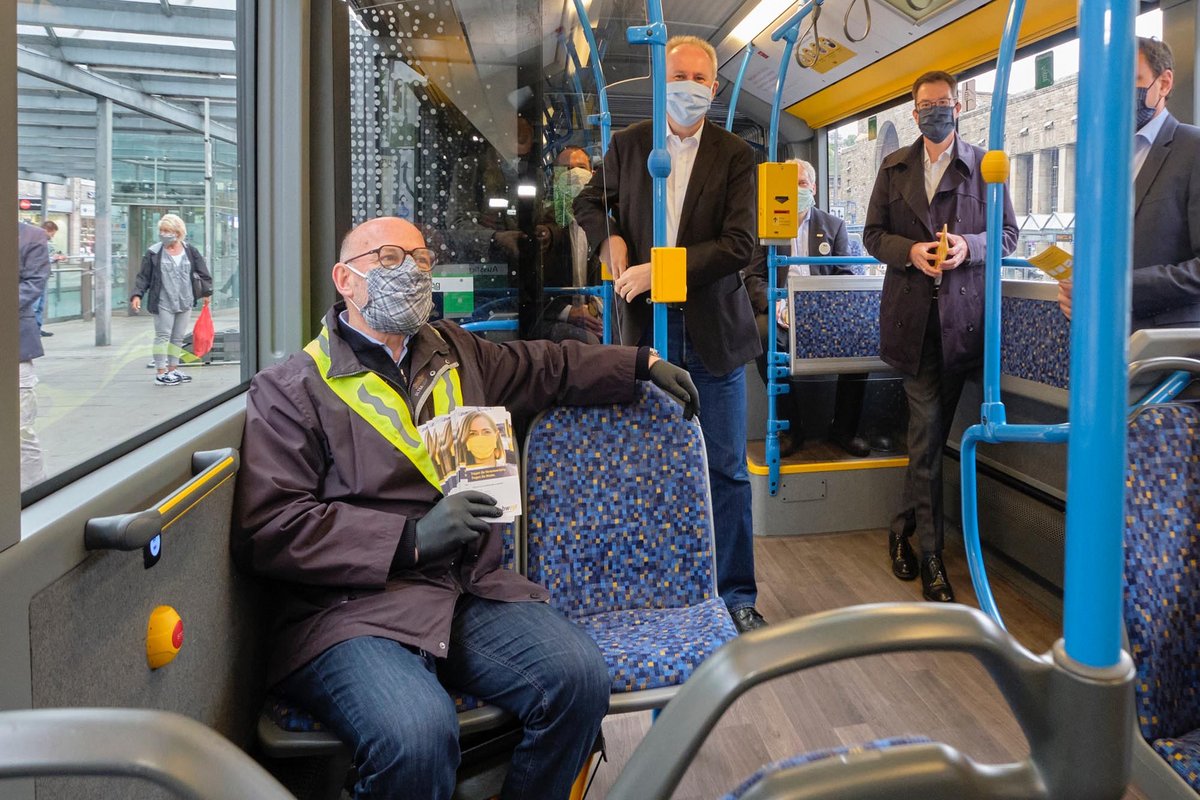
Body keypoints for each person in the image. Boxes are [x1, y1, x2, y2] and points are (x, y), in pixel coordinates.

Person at [232, 216, 699, 800]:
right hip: (350, 611)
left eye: (422, 260)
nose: (411, 272)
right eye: (390, 259)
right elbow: (272, 526)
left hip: (464, 589)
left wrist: (640, 363)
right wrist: (410, 539)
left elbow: (546, 366)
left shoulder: (454, 351)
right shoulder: (292, 388)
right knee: (418, 735)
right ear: (344, 280)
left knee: (579, 679)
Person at [573, 35, 765, 634]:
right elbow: (589, 204)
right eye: (676, 75)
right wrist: (611, 242)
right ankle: (657, 587)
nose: (687, 87)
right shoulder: (630, 146)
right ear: (660, 83)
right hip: (645, 332)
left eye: (698, 78)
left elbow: (739, 244)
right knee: (645, 464)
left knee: (726, 468)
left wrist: (663, 270)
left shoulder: (736, 155)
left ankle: (735, 594)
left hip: (712, 330)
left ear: (715, 88)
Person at [863, 70, 1017, 603]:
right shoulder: (893, 167)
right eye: (925, 105)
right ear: (914, 112)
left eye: (943, 102)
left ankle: (900, 530)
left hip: (963, 322)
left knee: (928, 440)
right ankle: (932, 554)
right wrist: (910, 252)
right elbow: (872, 235)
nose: (934, 111)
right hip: (913, 324)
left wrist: (967, 248)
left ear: (958, 106)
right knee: (928, 433)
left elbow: (1007, 235)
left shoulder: (985, 166)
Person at [743, 158, 885, 458]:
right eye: (789, 185)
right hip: (780, 309)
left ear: (814, 188)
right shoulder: (765, 226)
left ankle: (844, 428)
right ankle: (791, 427)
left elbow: (845, 274)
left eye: (802, 184)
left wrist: (821, 306)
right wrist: (775, 302)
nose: (796, 191)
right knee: (763, 334)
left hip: (822, 309)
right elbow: (754, 276)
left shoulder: (833, 226)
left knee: (861, 336)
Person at [1056, 37, 1200, 330]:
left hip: (1167, 343)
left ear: (1164, 83)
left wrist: (1115, 289)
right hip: (1104, 336)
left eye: (1131, 81)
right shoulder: (1104, 160)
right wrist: (1078, 296)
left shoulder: (1193, 149)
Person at [129, 214, 213, 386]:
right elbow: (143, 276)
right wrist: (137, 294)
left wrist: (207, 293)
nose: (164, 234)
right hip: (163, 301)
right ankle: (161, 372)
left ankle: (173, 370)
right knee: (162, 336)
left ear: (178, 232)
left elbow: (203, 272)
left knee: (177, 337)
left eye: (168, 230)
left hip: (185, 300)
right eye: (162, 230)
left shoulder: (190, 251)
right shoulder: (154, 252)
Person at [18, 220, 51, 490]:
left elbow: (34, 284)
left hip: (15, 347)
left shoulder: (31, 236)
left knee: (20, 430)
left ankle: (35, 492)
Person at [34, 220, 63, 337]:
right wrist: (53, 259)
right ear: (46, 230)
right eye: (52, 233)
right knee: (35, 306)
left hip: (42, 277)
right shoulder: (36, 242)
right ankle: (32, 331)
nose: (52, 236)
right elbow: (37, 260)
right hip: (36, 278)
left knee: (40, 306)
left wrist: (53, 259)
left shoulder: (42, 242)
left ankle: (37, 329)